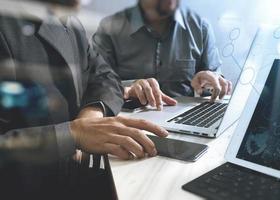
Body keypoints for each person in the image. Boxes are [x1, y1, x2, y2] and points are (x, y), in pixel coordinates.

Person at [0, 0, 169, 164]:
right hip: (26, 185)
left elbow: (105, 76)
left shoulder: (70, 23)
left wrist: (92, 114)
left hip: (70, 171)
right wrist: (72, 135)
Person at [92, 0, 233, 110]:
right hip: (128, 124)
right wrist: (128, 89)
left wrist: (212, 83)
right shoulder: (109, 28)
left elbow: (213, 85)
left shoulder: (200, 27)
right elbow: (94, 87)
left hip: (183, 126)